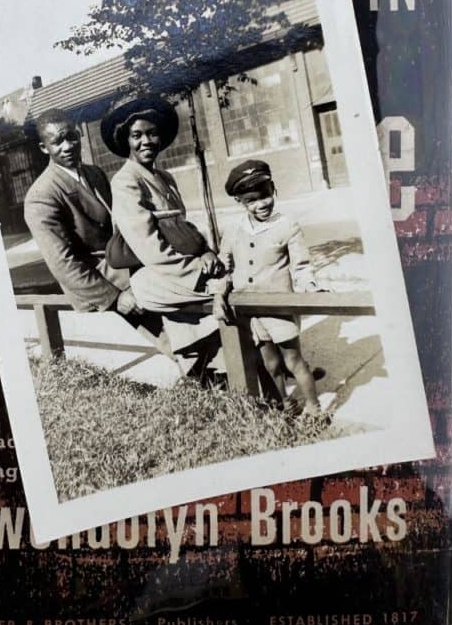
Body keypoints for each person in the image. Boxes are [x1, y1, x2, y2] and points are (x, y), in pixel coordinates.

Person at [102, 96, 224, 372]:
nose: (146, 141)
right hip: (160, 275)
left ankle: (272, 367)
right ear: (126, 141)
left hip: (184, 268)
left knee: (236, 294)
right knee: (231, 295)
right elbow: (148, 245)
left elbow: (185, 227)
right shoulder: (125, 181)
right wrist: (198, 273)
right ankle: (265, 373)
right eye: (137, 135)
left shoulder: (165, 177)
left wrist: (205, 251)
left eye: (152, 133)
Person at [219, 159, 325, 417]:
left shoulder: (287, 225)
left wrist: (311, 287)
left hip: (279, 308)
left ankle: (314, 408)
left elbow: (301, 266)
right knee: (271, 364)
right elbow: (224, 266)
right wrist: (219, 293)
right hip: (252, 313)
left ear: (273, 189)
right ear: (240, 203)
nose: (262, 204)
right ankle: (286, 405)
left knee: (294, 361)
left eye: (265, 195)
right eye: (252, 200)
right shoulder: (233, 230)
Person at [23, 108, 141, 318]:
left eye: (71, 137)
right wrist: (113, 297)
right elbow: (62, 262)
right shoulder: (41, 195)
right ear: (44, 147)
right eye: (58, 142)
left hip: (124, 266)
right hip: (98, 289)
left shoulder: (95, 173)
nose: (67, 146)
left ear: (79, 135)